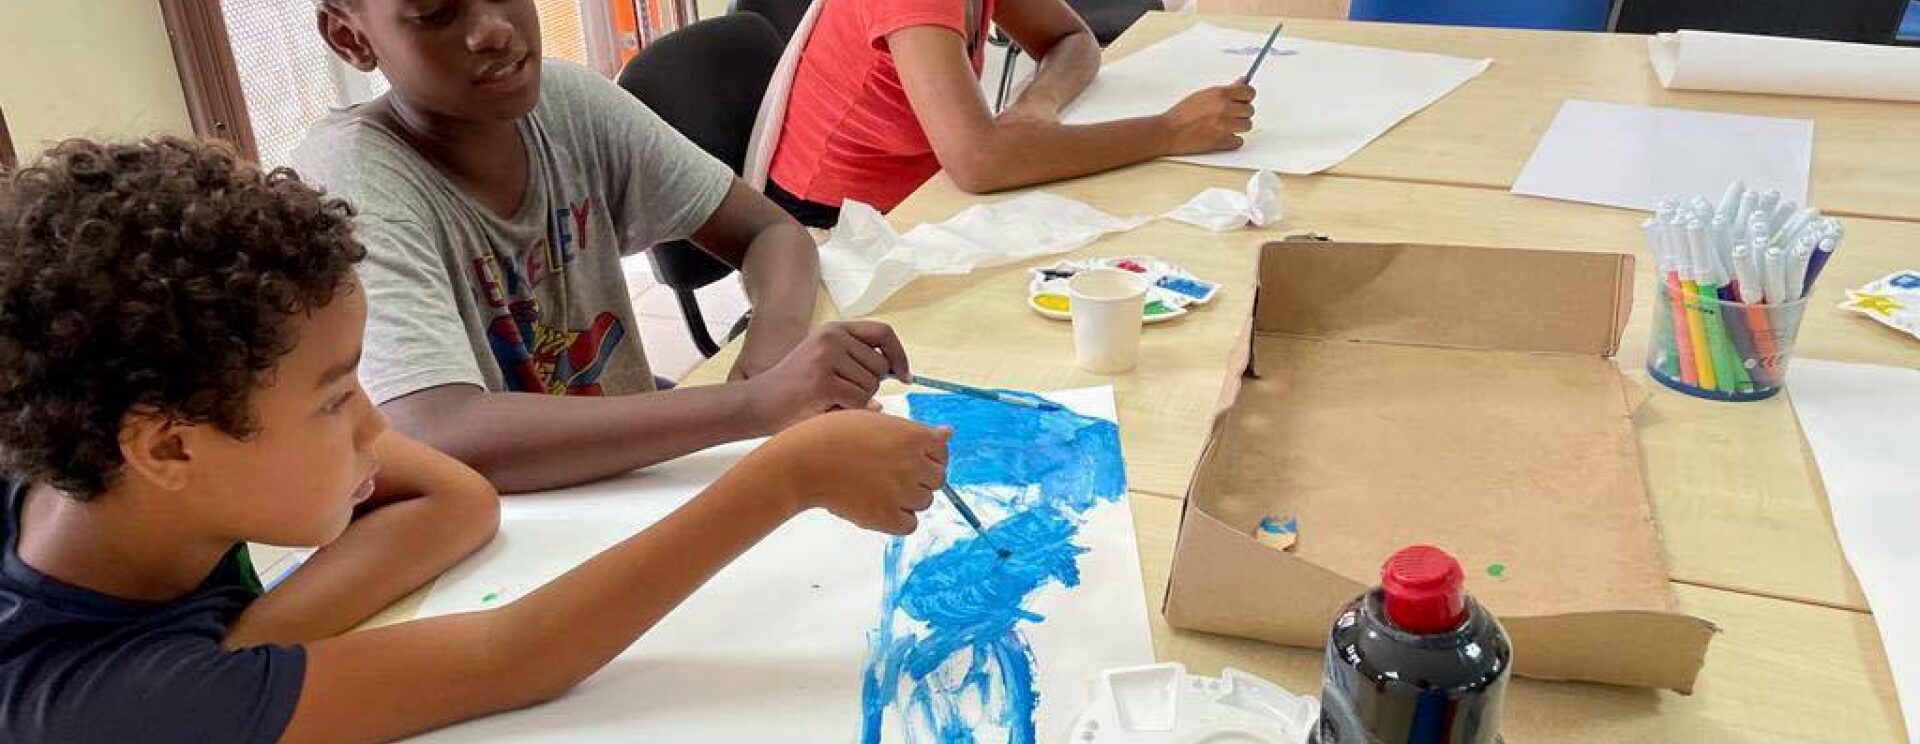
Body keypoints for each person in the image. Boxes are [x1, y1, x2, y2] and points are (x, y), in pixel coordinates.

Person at [0, 137, 947, 743]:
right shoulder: (103, 706)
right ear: (168, 451)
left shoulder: (120, 486)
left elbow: (458, 496)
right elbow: (513, 658)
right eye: (337, 400)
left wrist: (254, 640)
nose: (379, 420)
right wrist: (783, 477)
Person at [298, 0, 912, 493]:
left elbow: (772, 233)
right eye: (437, 13)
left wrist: (773, 346)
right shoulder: (354, 184)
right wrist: (750, 404)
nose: (493, 30)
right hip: (505, 532)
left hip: (634, 475)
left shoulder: (564, 102)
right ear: (351, 37)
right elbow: (442, 430)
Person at [762, 0, 1257, 227]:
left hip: (925, 194)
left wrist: (1036, 103)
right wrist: (1168, 131)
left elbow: (1072, 39)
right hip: (834, 234)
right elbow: (980, 161)